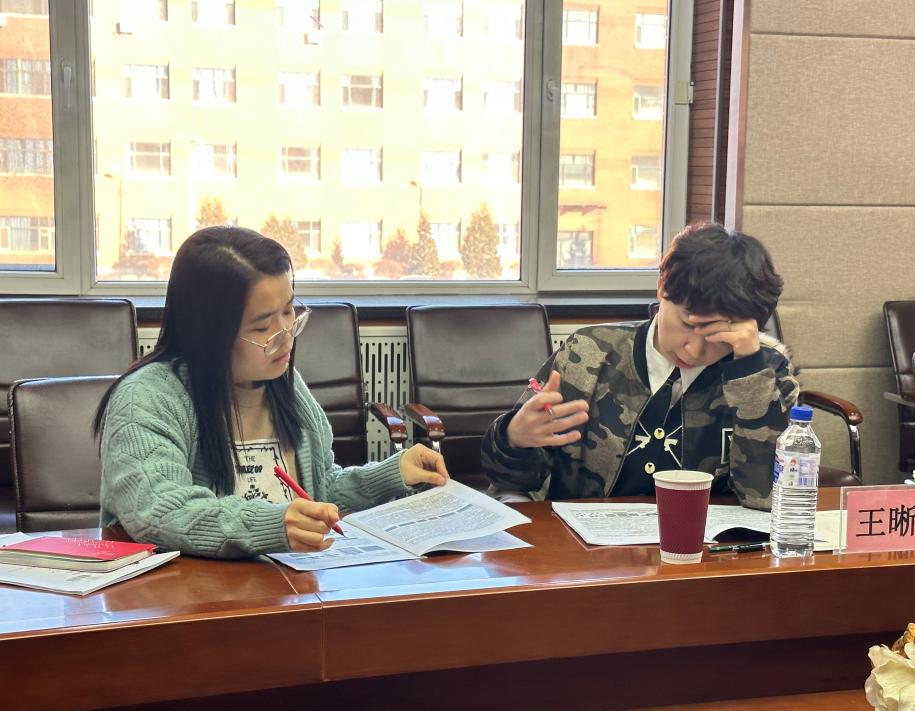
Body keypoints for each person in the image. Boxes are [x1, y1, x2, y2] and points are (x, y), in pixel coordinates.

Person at [95, 226, 448, 558]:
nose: (286, 336)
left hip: (288, 586)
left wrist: (390, 474)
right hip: (192, 593)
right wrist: (271, 525)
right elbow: (160, 511)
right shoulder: (147, 399)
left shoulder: (284, 383)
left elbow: (318, 490)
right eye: (263, 326)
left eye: (289, 311)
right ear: (209, 332)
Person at [481, 222, 799, 509]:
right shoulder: (589, 352)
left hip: (703, 547)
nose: (694, 350)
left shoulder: (767, 372)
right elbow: (507, 479)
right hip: (585, 543)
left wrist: (749, 373)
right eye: (689, 325)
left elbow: (766, 498)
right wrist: (513, 438)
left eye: (719, 337)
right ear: (662, 286)